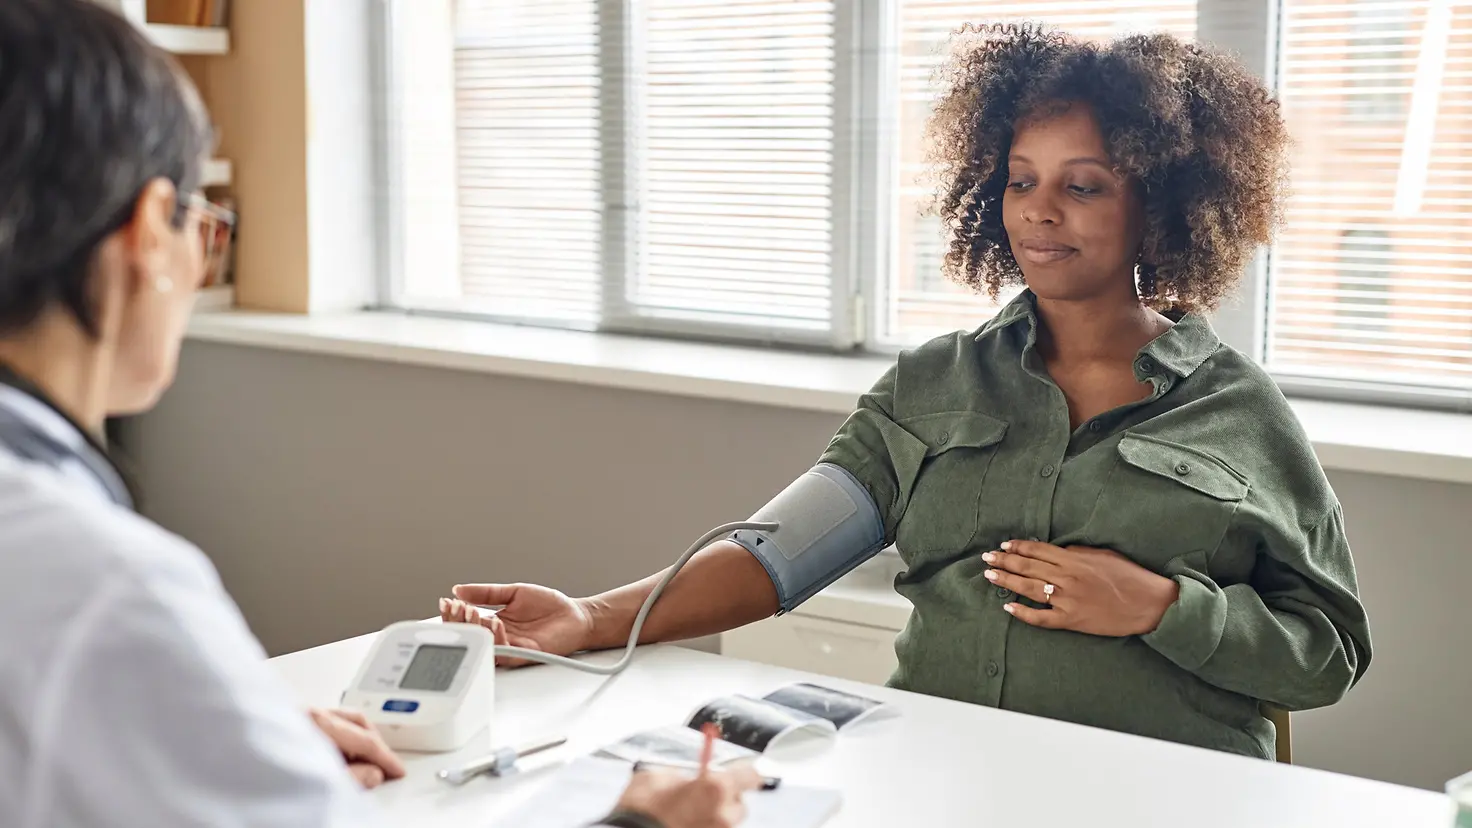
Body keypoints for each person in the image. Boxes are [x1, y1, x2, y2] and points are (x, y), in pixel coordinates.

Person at [443, 24, 1373, 761]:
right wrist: (593, 618)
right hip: (942, 773)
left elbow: (1328, 652)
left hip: (1157, 792)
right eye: (1020, 181)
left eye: (1083, 186)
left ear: (1161, 207)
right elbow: (779, 557)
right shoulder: (936, 383)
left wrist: (1164, 607)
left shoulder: (1239, 412)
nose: (1039, 211)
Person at [0, 2, 756, 827]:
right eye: (205, 224)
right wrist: (638, 822)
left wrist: (205, 742)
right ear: (151, 229)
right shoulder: (101, 587)